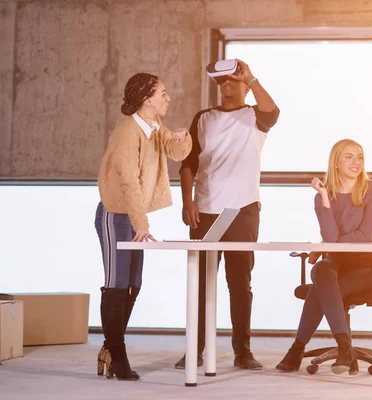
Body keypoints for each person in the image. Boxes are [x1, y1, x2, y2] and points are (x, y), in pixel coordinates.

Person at [176, 59, 279, 370]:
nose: (227, 86)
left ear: (245, 86)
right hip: (205, 210)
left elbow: (272, 112)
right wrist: (187, 201)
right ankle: (195, 349)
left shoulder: (254, 117)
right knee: (201, 284)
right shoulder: (203, 119)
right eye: (222, 82)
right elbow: (188, 163)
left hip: (242, 209)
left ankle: (242, 352)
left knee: (239, 283)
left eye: (234, 81)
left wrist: (251, 77)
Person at [95, 72, 192, 380]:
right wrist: (141, 223)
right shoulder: (127, 132)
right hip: (115, 216)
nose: (168, 98)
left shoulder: (153, 127)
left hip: (133, 217)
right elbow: (127, 183)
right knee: (117, 284)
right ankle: (118, 356)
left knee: (133, 284)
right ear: (147, 98)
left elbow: (177, 153)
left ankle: (110, 348)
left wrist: (181, 136)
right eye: (163, 93)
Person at [275, 139, 372, 375]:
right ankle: (345, 348)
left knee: (320, 287)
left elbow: (364, 235)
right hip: (339, 265)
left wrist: (331, 244)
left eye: (360, 157)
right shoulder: (323, 197)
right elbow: (329, 235)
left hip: (370, 267)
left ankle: (297, 349)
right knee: (321, 270)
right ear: (335, 163)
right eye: (349, 157)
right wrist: (325, 196)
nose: (356, 162)